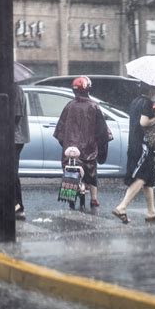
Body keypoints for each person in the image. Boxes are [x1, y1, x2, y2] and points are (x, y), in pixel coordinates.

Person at [112, 86, 155, 224]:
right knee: (142, 177)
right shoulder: (147, 103)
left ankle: (151, 212)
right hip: (143, 146)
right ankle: (122, 207)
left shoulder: (136, 101)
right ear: (151, 91)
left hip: (135, 144)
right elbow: (144, 122)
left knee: (149, 179)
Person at [53, 76, 110, 209]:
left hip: (70, 148)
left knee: (69, 171)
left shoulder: (69, 106)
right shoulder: (94, 106)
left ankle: (71, 194)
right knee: (92, 173)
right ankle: (94, 199)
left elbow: (60, 130)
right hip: (89, 150)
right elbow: (102, 131)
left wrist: (66, 143)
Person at [14, 84, 30, 221]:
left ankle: (18, 207)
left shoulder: (15, 89)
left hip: (14, 138)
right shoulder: (12, 88)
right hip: (10, 138)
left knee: (11, 174)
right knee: (8, 174)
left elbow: (16, 115)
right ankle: (14, 206)